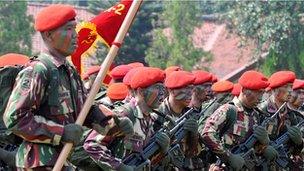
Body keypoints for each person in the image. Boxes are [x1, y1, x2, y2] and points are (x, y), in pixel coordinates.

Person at [3, 4, 131, 170]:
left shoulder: (69, 71)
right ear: (49, 35)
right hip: (38, 164)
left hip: (62, 161)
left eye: (74, 28)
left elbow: (85, 109)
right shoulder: (38, 70)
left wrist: (112, 122)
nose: (75, 35)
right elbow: (15, 118)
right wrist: (60, 132)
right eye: (69, 29)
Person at [83, 67, 170, 171]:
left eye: (163, 89)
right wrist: (119, 167)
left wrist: (164, 150)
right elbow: (91, 145)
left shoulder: (151, 119)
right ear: (141, 91)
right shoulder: (124, 114)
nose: (162, 93)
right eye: (157, 88)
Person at [201, 70, 277, 170]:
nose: (260, 97)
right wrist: (228, 156)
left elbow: (251, 147)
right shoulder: (229, 110)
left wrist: (264, 146)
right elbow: (207, 133)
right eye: (258, 92)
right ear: (245, 90)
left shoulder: (256, 115)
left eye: (262, 93)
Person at [259, 71, 303, 169]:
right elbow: (246, 140)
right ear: (275, 89)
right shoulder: (261, 111)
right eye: (286, 87)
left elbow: (296, 152)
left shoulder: (292, 116)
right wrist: (264, 148)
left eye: (291, 87)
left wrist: (299, 142)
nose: (290, 91)